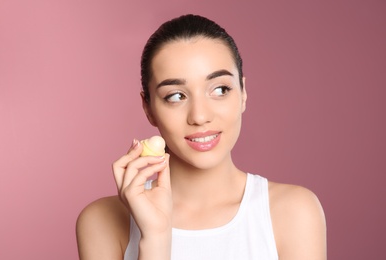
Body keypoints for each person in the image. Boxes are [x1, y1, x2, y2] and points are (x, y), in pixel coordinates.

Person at [76, 14, 327, 260]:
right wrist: (155, 237)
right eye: (176, 96)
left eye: (220, 89)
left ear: (243, 94)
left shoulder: (294, 212)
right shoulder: (102, 221)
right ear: (148, 108)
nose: (200, 116)